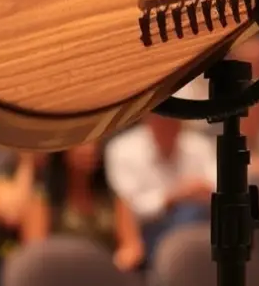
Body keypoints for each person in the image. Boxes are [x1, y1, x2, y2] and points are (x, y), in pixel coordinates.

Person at [23, 141, 144, 272]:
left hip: (108, 274)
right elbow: (35, 255)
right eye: (82, 144)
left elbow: (133, 246)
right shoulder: (43, 200)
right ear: (62, 150)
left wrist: (110, 268)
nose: (90, 149)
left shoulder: (113, 198)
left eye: (94, 143)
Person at [104, 114, 216, 254]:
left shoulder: (199, 146)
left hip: (200, 222)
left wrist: (199, 192)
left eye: (172, 120)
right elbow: (128, 209)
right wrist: (172, 196)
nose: (167, 127)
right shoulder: (122, 149)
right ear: (148, 120)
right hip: (149, 230)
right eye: (161, 121)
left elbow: (215, 190)